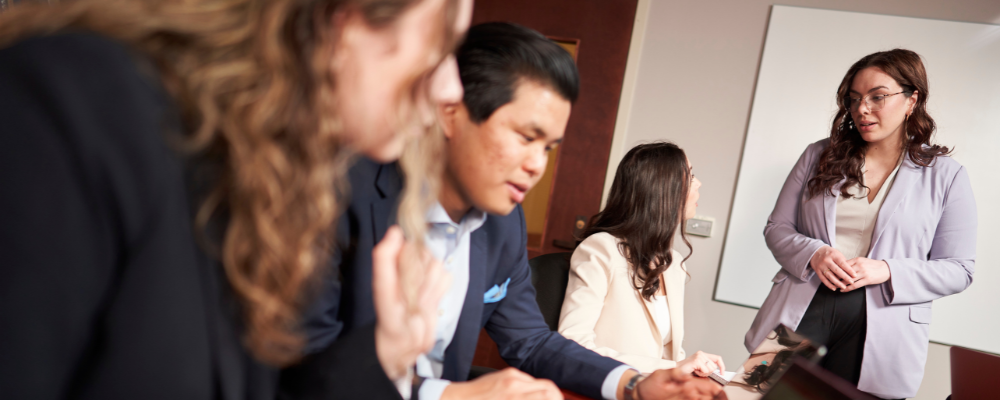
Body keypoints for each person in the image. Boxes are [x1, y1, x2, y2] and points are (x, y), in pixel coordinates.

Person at [0, 0, 473, 398]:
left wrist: (383, 353)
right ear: (344, 21)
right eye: (441, 46)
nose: (452, 87)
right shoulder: (76, 106)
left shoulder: (256, 178)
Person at [305, 22, 724, 400]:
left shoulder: (503, 223)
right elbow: (303, 370)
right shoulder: (337, 198)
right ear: (451, 112)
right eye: (526, 137)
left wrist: (632, 384)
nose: (536, 165)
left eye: (547, 148)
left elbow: (532, 341)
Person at [745, 49, 977, 399]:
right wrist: (815, 253)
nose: (862, 109)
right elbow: (777, 227)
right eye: (854, 99)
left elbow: (959, 269)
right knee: (762, 394)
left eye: (877, 97)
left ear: (912, 99)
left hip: (883, 326)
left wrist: (886, 269)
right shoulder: (817, 156)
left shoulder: (947, 176)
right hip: (806, 306)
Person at [557, 142, 726, 376]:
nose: (698, 183)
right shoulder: (601, 249)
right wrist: (674, 367)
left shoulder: (674, 263)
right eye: (690, 176)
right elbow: (573, 344)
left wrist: (691, 369)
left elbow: (669, 352)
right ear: (662, 188)